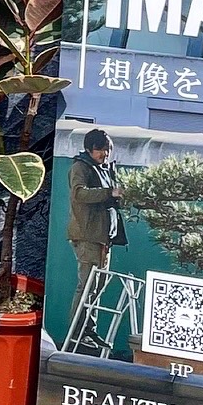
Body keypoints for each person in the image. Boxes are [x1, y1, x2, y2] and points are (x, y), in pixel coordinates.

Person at [67, 128, 127, 346]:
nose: (105, 154)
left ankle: (89, 330)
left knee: (97, 287)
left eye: (107, 149)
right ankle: (76, 332)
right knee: (87, 286)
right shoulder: (80, 167)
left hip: (104, 238)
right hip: (88, 236)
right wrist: (110, 193)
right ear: (89, 149)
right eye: (100, 149)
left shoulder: (105, 169)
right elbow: (79, 193)